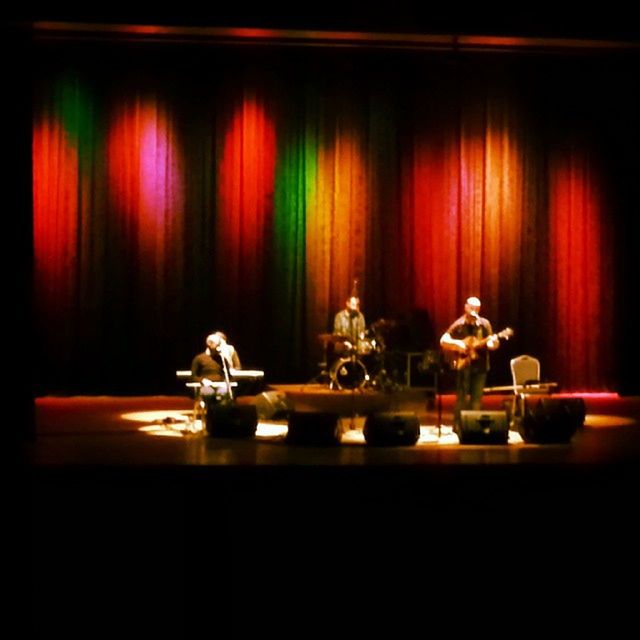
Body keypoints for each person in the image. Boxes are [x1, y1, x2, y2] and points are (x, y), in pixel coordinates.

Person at [440, 296, 501, 432]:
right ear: (465, 307)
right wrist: (457, 344)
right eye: (471, 307)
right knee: (461, 399)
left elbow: (491, 343)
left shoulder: (485, 324)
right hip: (464, 366)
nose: (474, 310)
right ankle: (458, 427)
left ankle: (474, 428)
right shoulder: (459, 324)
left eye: (476, 308)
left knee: (476, 399)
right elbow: (443, 340)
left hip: (480, 366)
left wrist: (493, 344)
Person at [191, 331, 241, 399]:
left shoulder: (222, 359)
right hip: (206, 386)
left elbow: (228, 376)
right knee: (208, 394)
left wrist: (225, 382)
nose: (219, 346)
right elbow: (193, 376)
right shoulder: (199, 358)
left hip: (220, 385)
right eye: (217, 344)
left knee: (223, 394)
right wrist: (202, 380)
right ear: (209, 344)